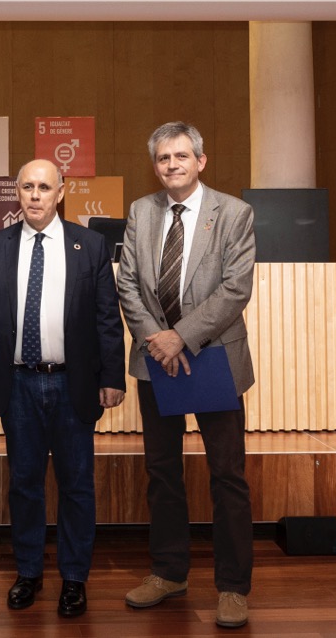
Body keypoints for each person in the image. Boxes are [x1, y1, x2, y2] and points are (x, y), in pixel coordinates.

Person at [0, 159, 126, 618]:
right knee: (24, 484)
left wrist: (112, 377)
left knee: (77, 486)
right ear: (17, 192)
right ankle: (29, 572)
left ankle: (74, 578)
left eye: (44, 187)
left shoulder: (89, 245)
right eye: (27, 187)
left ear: (61, 192)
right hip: (17, 382)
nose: (35, 195)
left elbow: (106, 318)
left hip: (73, 383)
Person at [115, 121, 257, 629]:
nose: (171, 165)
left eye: (180, 156)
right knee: (162, 472)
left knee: (227, 475)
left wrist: (182, 336)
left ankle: (233, 586)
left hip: (213, 356)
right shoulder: (141, 211)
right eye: (163, 158)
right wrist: (157, 338)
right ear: (155, 166)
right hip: (156, 359)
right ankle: (169, 572)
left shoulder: (233, 213)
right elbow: (128, 283)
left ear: (201, 160)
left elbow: (236, 287)